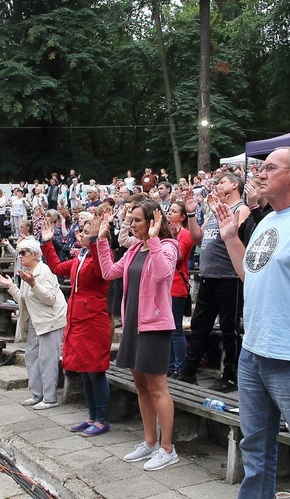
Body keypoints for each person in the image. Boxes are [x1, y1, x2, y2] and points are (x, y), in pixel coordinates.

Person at [212, 147, 290, 498]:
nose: (260, 174)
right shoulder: (266, 220)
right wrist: (230, 239)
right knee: (255, 448)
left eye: (269, 168)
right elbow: (249, 276)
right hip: (254, 352)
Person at [96, 198, 180, 471]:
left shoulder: (167, 246)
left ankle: (168, 449)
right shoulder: (133, 250)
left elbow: (162, 273)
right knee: (141, 387)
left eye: (138, 220)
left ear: (153, 221)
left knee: (158, 388)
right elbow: (109, 272)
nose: (132, 225)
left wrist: (154, 239)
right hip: (133, 325)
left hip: (154, 326)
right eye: (131, 220)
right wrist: (101, 241)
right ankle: (150, 442)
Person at [176, 172, 250, 392]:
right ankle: (189, 371)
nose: (217, 186)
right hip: (209, 276)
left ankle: (230, 375)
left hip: (230, 277)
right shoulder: (212, 210)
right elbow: (197, 237)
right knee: (200, 326)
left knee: (229, 329)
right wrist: (190, 212)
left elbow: (236, 233)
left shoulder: (241, 209)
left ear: (234, 185)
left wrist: (218, 207)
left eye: (222, 182)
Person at [40, 217, 112, 435]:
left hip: (93, 318)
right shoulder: (81, 257)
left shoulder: (101, 255)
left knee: (95, 370)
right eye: (81, 230)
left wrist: (96, 240)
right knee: (84, 369)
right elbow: (56, 267)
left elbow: (103, 271)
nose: (80, 234)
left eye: (86, 231)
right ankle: (92, 416)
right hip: (78, 317)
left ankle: (102, 419)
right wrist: (48, 242)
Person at [0, 238, 67, 410]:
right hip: (35, 321)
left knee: (47, 359)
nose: (20, 256)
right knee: (32, 357)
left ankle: (50, 398)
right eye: (19, 253)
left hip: (50, 321)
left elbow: (50, 298)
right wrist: (11, 286)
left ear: (35, 255)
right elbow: (23, 298)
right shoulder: (27, 272)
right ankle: (37, 394)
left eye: (23, 253)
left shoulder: (43, 271)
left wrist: (33, 284)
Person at [166, 201, 192, 377]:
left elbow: (178, 257)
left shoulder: (185, 234)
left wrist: (172, 239)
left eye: (173, 211)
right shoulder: (168, 234)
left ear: (182, 217)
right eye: (169, 210)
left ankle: (179, 367)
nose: (169, 213)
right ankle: (169, 366)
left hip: (177, 285)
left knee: (175, 329)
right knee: (166, 329)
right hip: (166, 285)